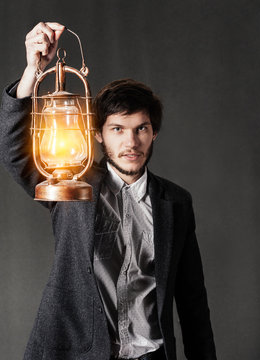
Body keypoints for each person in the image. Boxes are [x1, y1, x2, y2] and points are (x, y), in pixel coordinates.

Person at [0, 22, 217, 360]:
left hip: (151, 354)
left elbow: (192, 301)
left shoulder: (176, 202)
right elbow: (14, 149)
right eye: (117, 129)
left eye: (140, 128)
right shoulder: (72, 187)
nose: (131, 142)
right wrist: (32, 72)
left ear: (154, 132)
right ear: (98, 134)